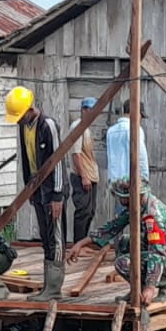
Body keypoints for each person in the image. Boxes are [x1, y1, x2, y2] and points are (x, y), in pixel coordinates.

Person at [67, 178, 166, 306]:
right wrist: (80, 244)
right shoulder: (137, 206)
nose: (120, 201)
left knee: (123, 263)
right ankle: (137, 289)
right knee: (124, 241)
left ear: (134, 196)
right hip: (163, 251)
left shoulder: (152, 216)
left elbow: (157, 253)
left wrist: (151, 286)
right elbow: (112, 227)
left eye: (122, 198)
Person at [6, 86, 66, 300]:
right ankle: (47, 285)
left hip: (53, 190)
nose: (19, 120)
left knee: (55, 236)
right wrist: (29, 188)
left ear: (30, 109)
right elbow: (26, 160)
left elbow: (57, 160)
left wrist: (57, 195)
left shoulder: (47, 125)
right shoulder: (25, 128)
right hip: (38, 188)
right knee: (45, 237)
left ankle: (54, 287)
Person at [105, 100, 148, 215]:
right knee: (139, 218)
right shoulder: (135, 129)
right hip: (132, 183)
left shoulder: (110, 131)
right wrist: (144, 183)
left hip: (116, 183)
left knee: (120, 218)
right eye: (141, 115)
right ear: (135, 112)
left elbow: (110, 158)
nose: (141, 119)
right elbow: (141, 158)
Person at [67, 97, 100, 243]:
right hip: (82, 176)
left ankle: (82, 243)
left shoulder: (87, 128)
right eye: (90, 110)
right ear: (84, 110)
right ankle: (78, 243)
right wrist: (84, 176)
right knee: (83, 211)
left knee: (90, 212)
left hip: (91, 175)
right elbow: (76, 154)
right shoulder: (78, 126)